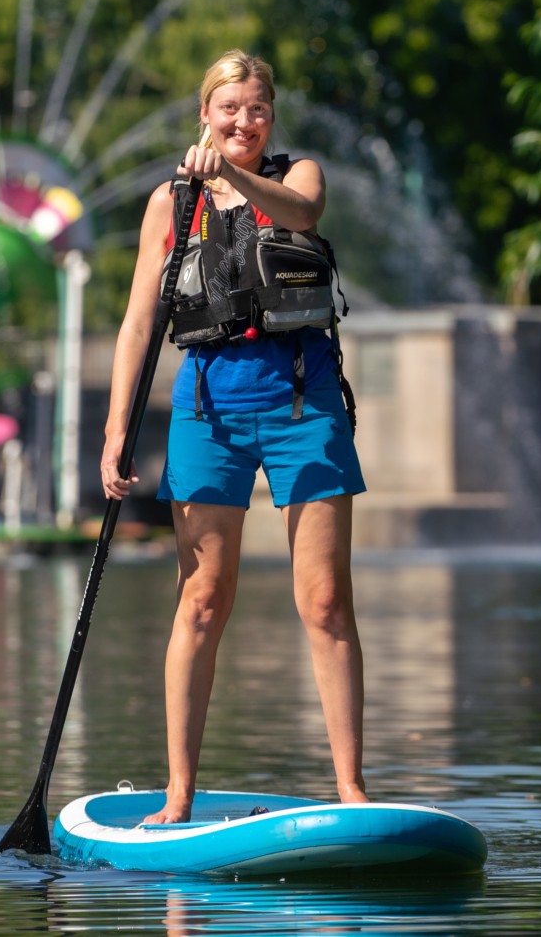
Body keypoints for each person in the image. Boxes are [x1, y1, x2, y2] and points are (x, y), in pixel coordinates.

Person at [102, 50, 368, 825]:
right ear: (204, 115)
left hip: (301, 401)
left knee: (325, 603)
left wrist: (230, 176)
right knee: (203, 600)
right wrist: (118, 430)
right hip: (209, 409)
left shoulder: (301, 176)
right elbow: (138, 323)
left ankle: (350, 786)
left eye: (257, 110)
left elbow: (301, 217)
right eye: (230, 110)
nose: (245, 122)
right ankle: (179, 793)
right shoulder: (170, 204)